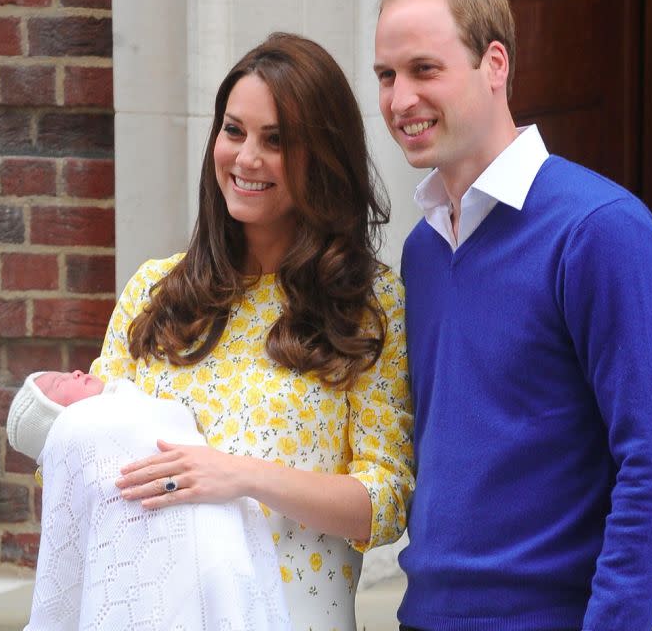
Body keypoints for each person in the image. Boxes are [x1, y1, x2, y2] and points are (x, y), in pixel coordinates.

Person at [372, 0, 652, 631]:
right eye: (386, 75)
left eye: (425, 69)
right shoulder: (425, 251)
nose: (400, 98)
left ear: (495, 64)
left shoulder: (600, 230)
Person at [90, 32, 413, 631]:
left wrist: (238, 475)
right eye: (234, 131)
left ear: (325, 157)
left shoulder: (368, 306)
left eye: (277, 141)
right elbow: (86, 457)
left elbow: (387, 504)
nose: (245, 158)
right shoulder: (154, 292)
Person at [7, 369, 291, 631]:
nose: (76, 372)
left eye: (67, 372)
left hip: (221, 537)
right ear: (54, 423)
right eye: (59, 383)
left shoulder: (135, 402)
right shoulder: (75, 432)